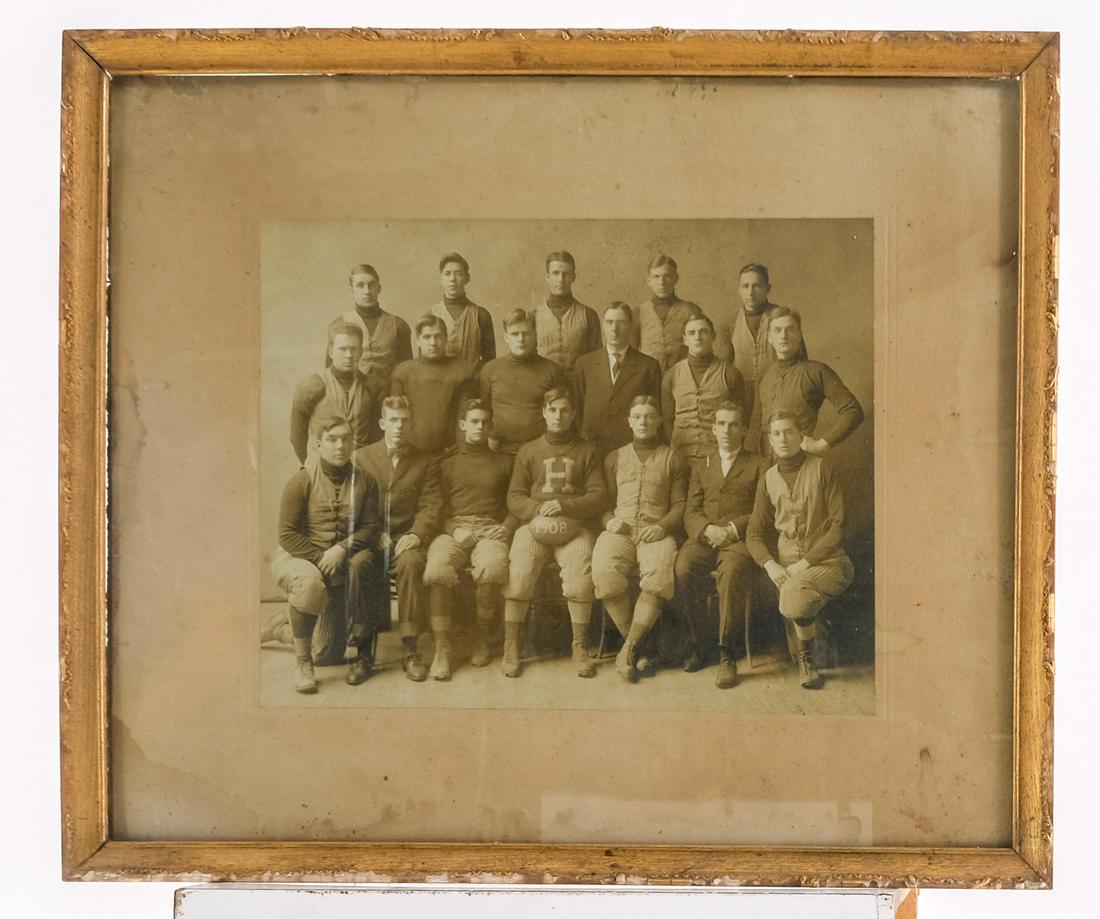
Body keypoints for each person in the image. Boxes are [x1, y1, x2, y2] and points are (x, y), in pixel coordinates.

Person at [270, 414, 381, 693]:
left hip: (337, 563)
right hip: (299, 557)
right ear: (318, 444)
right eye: (332, 440)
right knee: (309, 586)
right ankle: (303, 665)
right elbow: (287, 535)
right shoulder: (302, 480)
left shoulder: (366, 481)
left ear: (353, 442)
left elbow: (371, 527)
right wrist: (321, 558)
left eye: (345, 439)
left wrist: (342, 548)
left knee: (327, 654)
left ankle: (281, 629)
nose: (340, 446)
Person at [501, 387, 607, 678]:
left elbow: (598, 496)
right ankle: (511, 645)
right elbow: (514, 496)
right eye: (552, 410)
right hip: (534, 526)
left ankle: (579, 645)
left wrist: (565, 505)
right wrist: (537, 509)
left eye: (564, 410)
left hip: (575, 527)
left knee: (580, 577)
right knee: (519, 573)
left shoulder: (588, 451)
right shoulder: (529, 451)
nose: (558, 416)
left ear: (573, 415)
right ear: (544, 413)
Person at [746, 411, 855, 689]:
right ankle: (809, 645)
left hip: (828, 562)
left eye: (789, 432)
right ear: (770, 440)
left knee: (794, 596)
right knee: (794, 598)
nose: (783, 439)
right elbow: (754, 533)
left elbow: (839, 525)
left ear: (801, 435)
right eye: (777, 434)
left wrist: (805, 563)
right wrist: (770, 564)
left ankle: (807, 661)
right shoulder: (768, 478)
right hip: (786, 568)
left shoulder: (821, 468)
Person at [592, 396, 688, 682]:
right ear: (629, 422)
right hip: (620, 530)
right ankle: (638, 647)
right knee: (603, 572)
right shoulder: (614, 457)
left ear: (659, 421)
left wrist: (662, 527)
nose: (643, 422)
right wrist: (608, 521)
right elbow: (603, 503)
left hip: (655, 531)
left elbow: (679, 505)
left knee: (658, 576)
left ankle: (629, 649)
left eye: (649, 416)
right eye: (637, 416)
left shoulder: (672, 457)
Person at [673, 401, 767, 688]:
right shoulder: (702, 465)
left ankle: (728, 654)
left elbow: (762, 511)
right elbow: (691, 511)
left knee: (732, 572)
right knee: (683, 567)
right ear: (714, 429)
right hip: (705, 537)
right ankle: (697, 644)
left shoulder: (759, 464)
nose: (727, 430)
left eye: (734, 424)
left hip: (738, 540)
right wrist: (706, 530)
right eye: (722, 424)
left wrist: (732, 529)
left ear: (744, 430)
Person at [421, 400, 517, 678]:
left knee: (492, 567)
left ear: (491, 427)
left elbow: (516, 501)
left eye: (485, 422)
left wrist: (507, 527)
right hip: (455, 529)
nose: (480, 427)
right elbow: (435, 507)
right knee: (437, 570)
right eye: (474, 422)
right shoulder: (446, 464)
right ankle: (442, 647)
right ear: (463, 425)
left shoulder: (505, 462)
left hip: (490, 528)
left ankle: (481, 636)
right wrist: (454, 530)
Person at [352, 397, 443, 682]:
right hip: (372, 537)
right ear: (382, 423)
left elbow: (431, 505)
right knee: (358, 565)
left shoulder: (426, 461)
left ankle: (410, 649)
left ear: (411, 423)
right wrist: (373, 532)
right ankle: (363, 652)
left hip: (406, 538)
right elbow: (353, 505)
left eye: (404, 420)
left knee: (411, 564)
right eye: (393, 420)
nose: (399, 426)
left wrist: (416, 534)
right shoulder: (361, 458)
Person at [749, 306, 863, 458]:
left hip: (800, 461)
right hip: (764, 461)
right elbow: (756, 421)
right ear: (769, 337)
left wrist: (821, 445)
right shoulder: (764, 374)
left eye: (790, 329)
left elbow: (853, 411)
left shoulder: (815, 371)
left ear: (799, 335)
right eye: (777, 330)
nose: (783, 336)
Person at [714, 262, 807, 418]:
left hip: (778, 392)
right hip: (741, 397)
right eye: (745, 286)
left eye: (756, 286)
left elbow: (802, 363)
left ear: (767, 288)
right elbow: (722, 370)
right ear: (739, 290)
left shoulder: (783, 318)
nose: (750, 292)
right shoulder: (729, 323)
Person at [573, 302, 663, 457]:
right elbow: (577, 408)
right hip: (592, 446)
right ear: (603, 325)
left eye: (620, 323)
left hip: (630, 448)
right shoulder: (585, 364)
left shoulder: (648, 366)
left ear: (630, 326)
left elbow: (654, 411)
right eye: (609, 322)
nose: (614, 329)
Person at [477, 309, 568, 454]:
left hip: (541, 451)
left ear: (535, 335)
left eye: (526, 333)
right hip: (499, 449)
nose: (520, 339)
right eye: (515, 334)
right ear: (506, 337)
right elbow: (483, 410)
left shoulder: (552, 371)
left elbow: (562, 412)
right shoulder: (490, 369)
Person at [290, 322, 381, 465]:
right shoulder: (312, 385)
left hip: (360, 467)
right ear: (331, 352)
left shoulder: (372, 386)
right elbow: (297, 436)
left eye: (354, 349)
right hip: (321, 466)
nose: (349, 355)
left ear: (361, 352)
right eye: (342, 349)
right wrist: (311, 466)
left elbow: (377, 434)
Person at [662, 314, 747, 464]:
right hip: (680, 457)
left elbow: (740, 420)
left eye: (703, 332)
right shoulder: (671, 375)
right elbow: (667, 423)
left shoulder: (730, 374)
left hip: (718, 458)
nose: (698, 337)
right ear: (685, 340)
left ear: (713, 336)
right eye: (692, 333)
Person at [390, 314, 477, 453]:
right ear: (418, 340)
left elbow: (465, 414)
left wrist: (460, 448)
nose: (433, 342)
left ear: (446, 338)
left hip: (450, 452)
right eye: (427, 337)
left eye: (438, 336)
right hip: (411, 452)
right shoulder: (402, 372)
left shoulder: (463, 371)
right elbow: (395, 416)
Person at [328, 263, 413, 388]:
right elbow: (330, 374)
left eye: (371, 285)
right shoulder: (339, 325)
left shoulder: (399, 325)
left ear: (379, 288)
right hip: (352, 393)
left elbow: (407, 372)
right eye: (360, 285)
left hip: (388, 395)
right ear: (351, 290)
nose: (367, 291)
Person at [631, 254, 705, 372]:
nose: (662, 282)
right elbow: (631, 355)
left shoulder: (691, 311)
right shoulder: (637, 313)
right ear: (648, 280)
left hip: (683, 375)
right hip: (648, 376)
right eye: (656, 277)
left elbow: (701, 349)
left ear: (676, 278)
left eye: (667, 276)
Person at [535, 250, 602, 377]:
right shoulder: (534, 316)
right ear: (547, 277)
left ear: (573, 277)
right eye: (555, 273)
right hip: (544, 384)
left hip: (578, 384)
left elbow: (597, 361)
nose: (560, 279)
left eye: (565, 274)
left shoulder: (588, 315)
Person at [426, 252, 496, 368]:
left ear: (467, 278)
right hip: (439, 378)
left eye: (458, 273)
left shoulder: (481, 315)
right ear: (441, 279)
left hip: (472, 379)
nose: (452, 279)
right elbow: (424, 363)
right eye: (447, 274)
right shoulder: (431, 315)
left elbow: (490, 363)